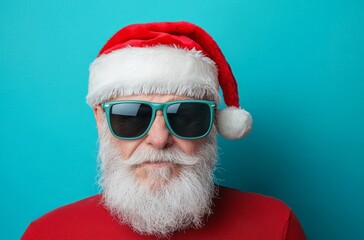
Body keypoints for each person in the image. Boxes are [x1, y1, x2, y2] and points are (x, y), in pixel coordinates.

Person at [22, 21, 306, 240]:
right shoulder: (47, 233)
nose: (158, 140)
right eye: (131, 117)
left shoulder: (275, 226)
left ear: (213, 124)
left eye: (184, 115)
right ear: (100, 120)